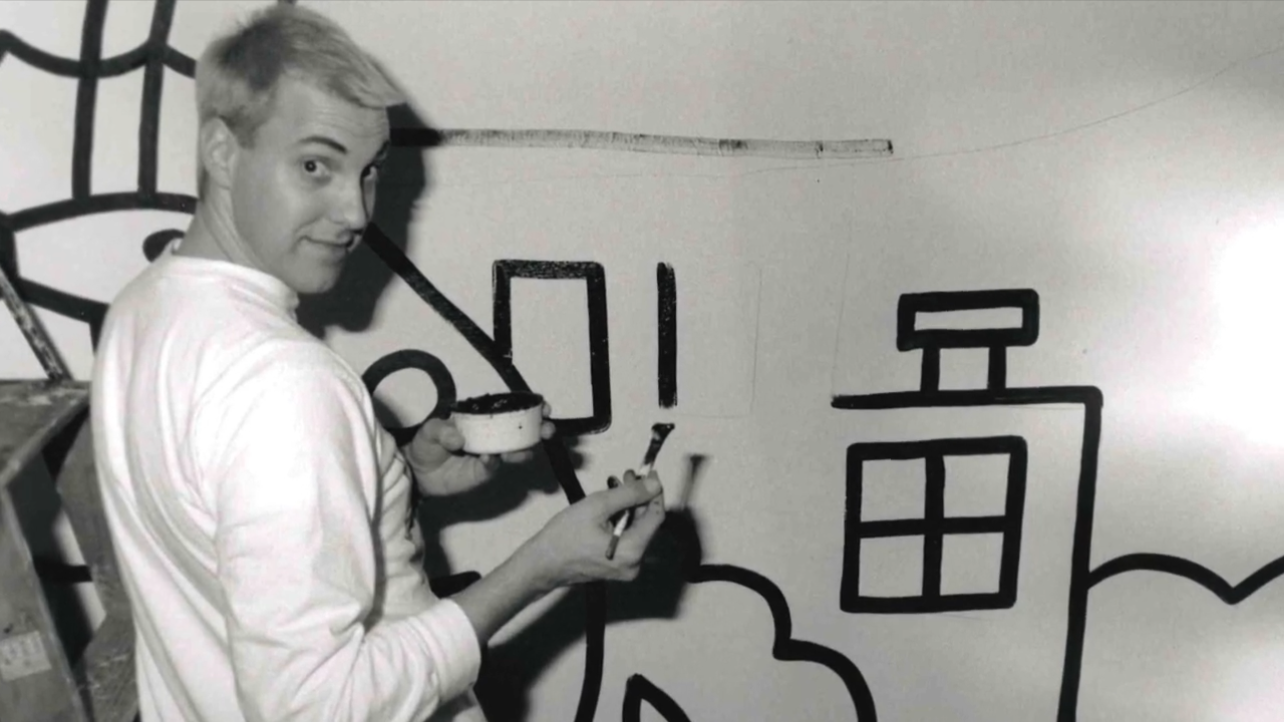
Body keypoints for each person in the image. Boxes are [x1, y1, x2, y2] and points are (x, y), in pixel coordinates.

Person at [89, 5, 665, 722]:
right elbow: (313, 708)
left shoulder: (141, 310)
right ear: (222, 152)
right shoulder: (284, 384)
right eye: (315, 165)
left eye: (368, 173)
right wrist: (541, 568)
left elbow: (228, 531)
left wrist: (396, 477)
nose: (357, 212)